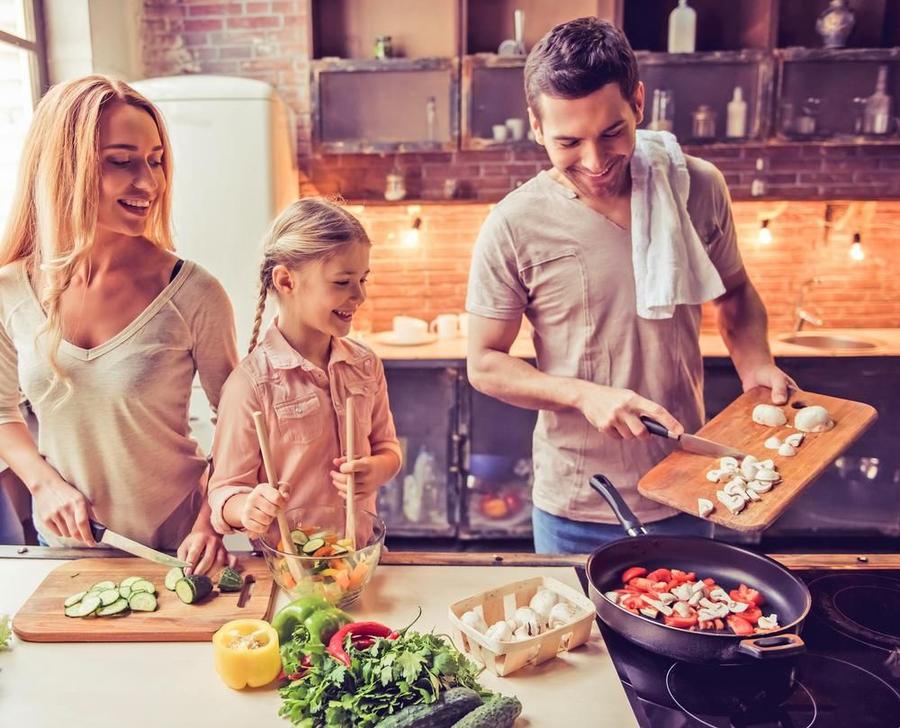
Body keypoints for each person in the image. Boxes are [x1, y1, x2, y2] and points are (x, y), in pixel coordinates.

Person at [465, 18, 796, 554]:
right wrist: (581, 394)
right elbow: (483, 362)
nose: (595, 162)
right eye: (568, 142)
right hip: (576, 499)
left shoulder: (696, 187)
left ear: (638, 102)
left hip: (689, 484)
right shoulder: (513, 223)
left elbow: (733, 292)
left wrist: (755, 366)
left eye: (613, 132)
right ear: (534, 125)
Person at [0, 75, 238, 573]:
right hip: (66, 549)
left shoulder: (193, 293)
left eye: (155, 161)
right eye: (121, 162)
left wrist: (210, 524)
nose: (149, 183)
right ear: (65, 169)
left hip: (180, 548)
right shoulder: (9, 291)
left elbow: (241, 427)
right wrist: (44, 485)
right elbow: (2, 411)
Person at [207, 198, 402, 539]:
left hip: (360, 557)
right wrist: (247, 507)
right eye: (342, 282)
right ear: (286, 281)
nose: (359, 295)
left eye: (363, 280)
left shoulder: (365, 365)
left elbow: (389, 448)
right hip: (290, 570)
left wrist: (378, 469)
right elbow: (223, 492)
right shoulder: (249, 386)